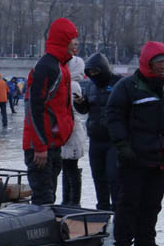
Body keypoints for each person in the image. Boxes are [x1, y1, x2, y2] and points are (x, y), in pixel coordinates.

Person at [106, 41, 164, 246]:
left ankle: (145, 240)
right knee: (129, 201)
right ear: (147, 63)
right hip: (135, 156)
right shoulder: (127, 87)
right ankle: (123, 243)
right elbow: (114, 116)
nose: (163, 67)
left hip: (161, 156)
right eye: (159, 62)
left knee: (153, 203)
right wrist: (122, 145)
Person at [22, 17, 79, 205]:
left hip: (52, 144)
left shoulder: (60, 66)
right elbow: (34, 108)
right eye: (72, 39)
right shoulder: (47, 67)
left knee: (49, 196)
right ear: (63, 40)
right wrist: (40, 146)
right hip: (41, 146)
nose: (76, 43)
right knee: (43, 198)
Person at [74, 52, 122, 211]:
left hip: (114, 140)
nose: (94, 76)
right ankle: (102, 208)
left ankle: (117, 210)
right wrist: (80, 103)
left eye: (96, 72)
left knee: (114, 177)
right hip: (95, 138)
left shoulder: (119, 83)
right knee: (98, 177)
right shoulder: (90, 86)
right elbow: (85, 109)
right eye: (91, 73)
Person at [61, 56, 87, 206]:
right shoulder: (74, 85)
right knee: (70, 167)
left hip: (70, 131)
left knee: (69, 168)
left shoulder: (72, 85)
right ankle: (71, 201)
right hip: (72, 130)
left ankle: (71, 201)